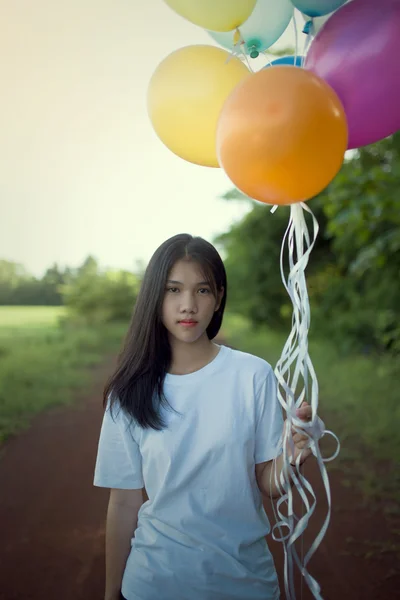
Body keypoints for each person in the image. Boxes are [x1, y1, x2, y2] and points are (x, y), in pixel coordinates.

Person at [93, 233, 313, 600]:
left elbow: (268, 482)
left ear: (219, 297)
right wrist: (110, 592)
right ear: (154, 296)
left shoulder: (253, 375)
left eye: (203, 291)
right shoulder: (128, 392)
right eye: (173, 290)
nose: (188, 306)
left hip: (245, 583)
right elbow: (124, 502)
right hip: (154, 583)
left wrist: (290, 458)